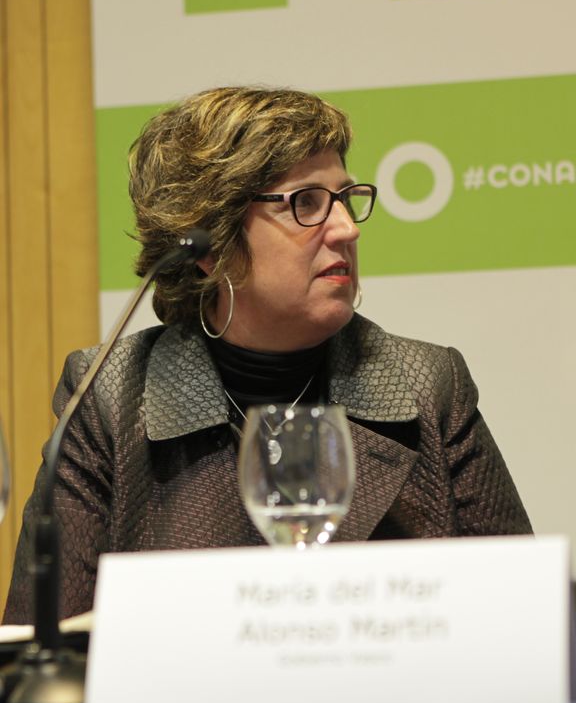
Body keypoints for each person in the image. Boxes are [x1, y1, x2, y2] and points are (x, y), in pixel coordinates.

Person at [3, 86, 532, 624]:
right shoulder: (109, 400)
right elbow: (43, 650)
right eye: (307, 203)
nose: (347, 228)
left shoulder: (428, 385)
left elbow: (524, 620)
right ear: (211, 246)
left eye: (346, 199)